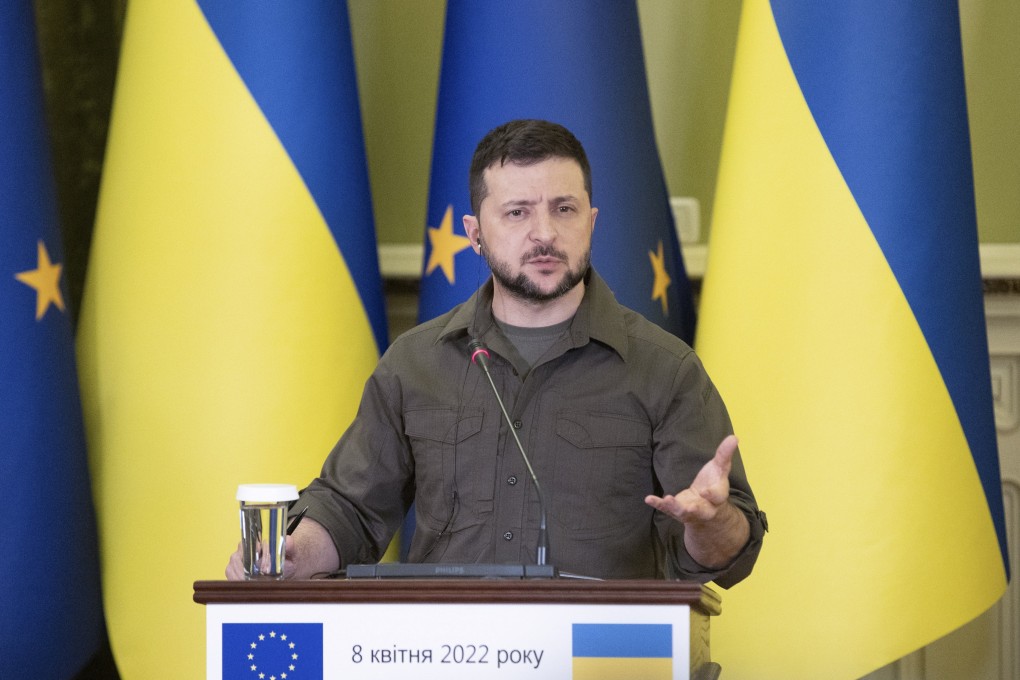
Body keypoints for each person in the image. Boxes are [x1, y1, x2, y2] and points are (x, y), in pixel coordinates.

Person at [226, 119, 767, 585]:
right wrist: (296, 554)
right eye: (516, 213)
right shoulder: (414, 364)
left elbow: (727, 552)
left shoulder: (664, 370)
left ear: (592, 222)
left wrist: (710, 523)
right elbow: (349, 507)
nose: (544, 233)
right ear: (474, 233)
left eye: (564, 209)